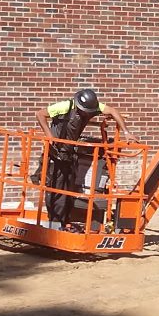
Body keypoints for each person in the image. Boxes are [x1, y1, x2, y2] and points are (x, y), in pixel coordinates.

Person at [36, 87, 122, 226]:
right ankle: (55, 222)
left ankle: (64, 221)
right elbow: (40, 114)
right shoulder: (65, 106)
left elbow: (112, 110)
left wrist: (127, 131)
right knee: (55, 188)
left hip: (69, 153)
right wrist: (49, 135)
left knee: (69, 188)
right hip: (55, 152)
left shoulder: (93, 106)